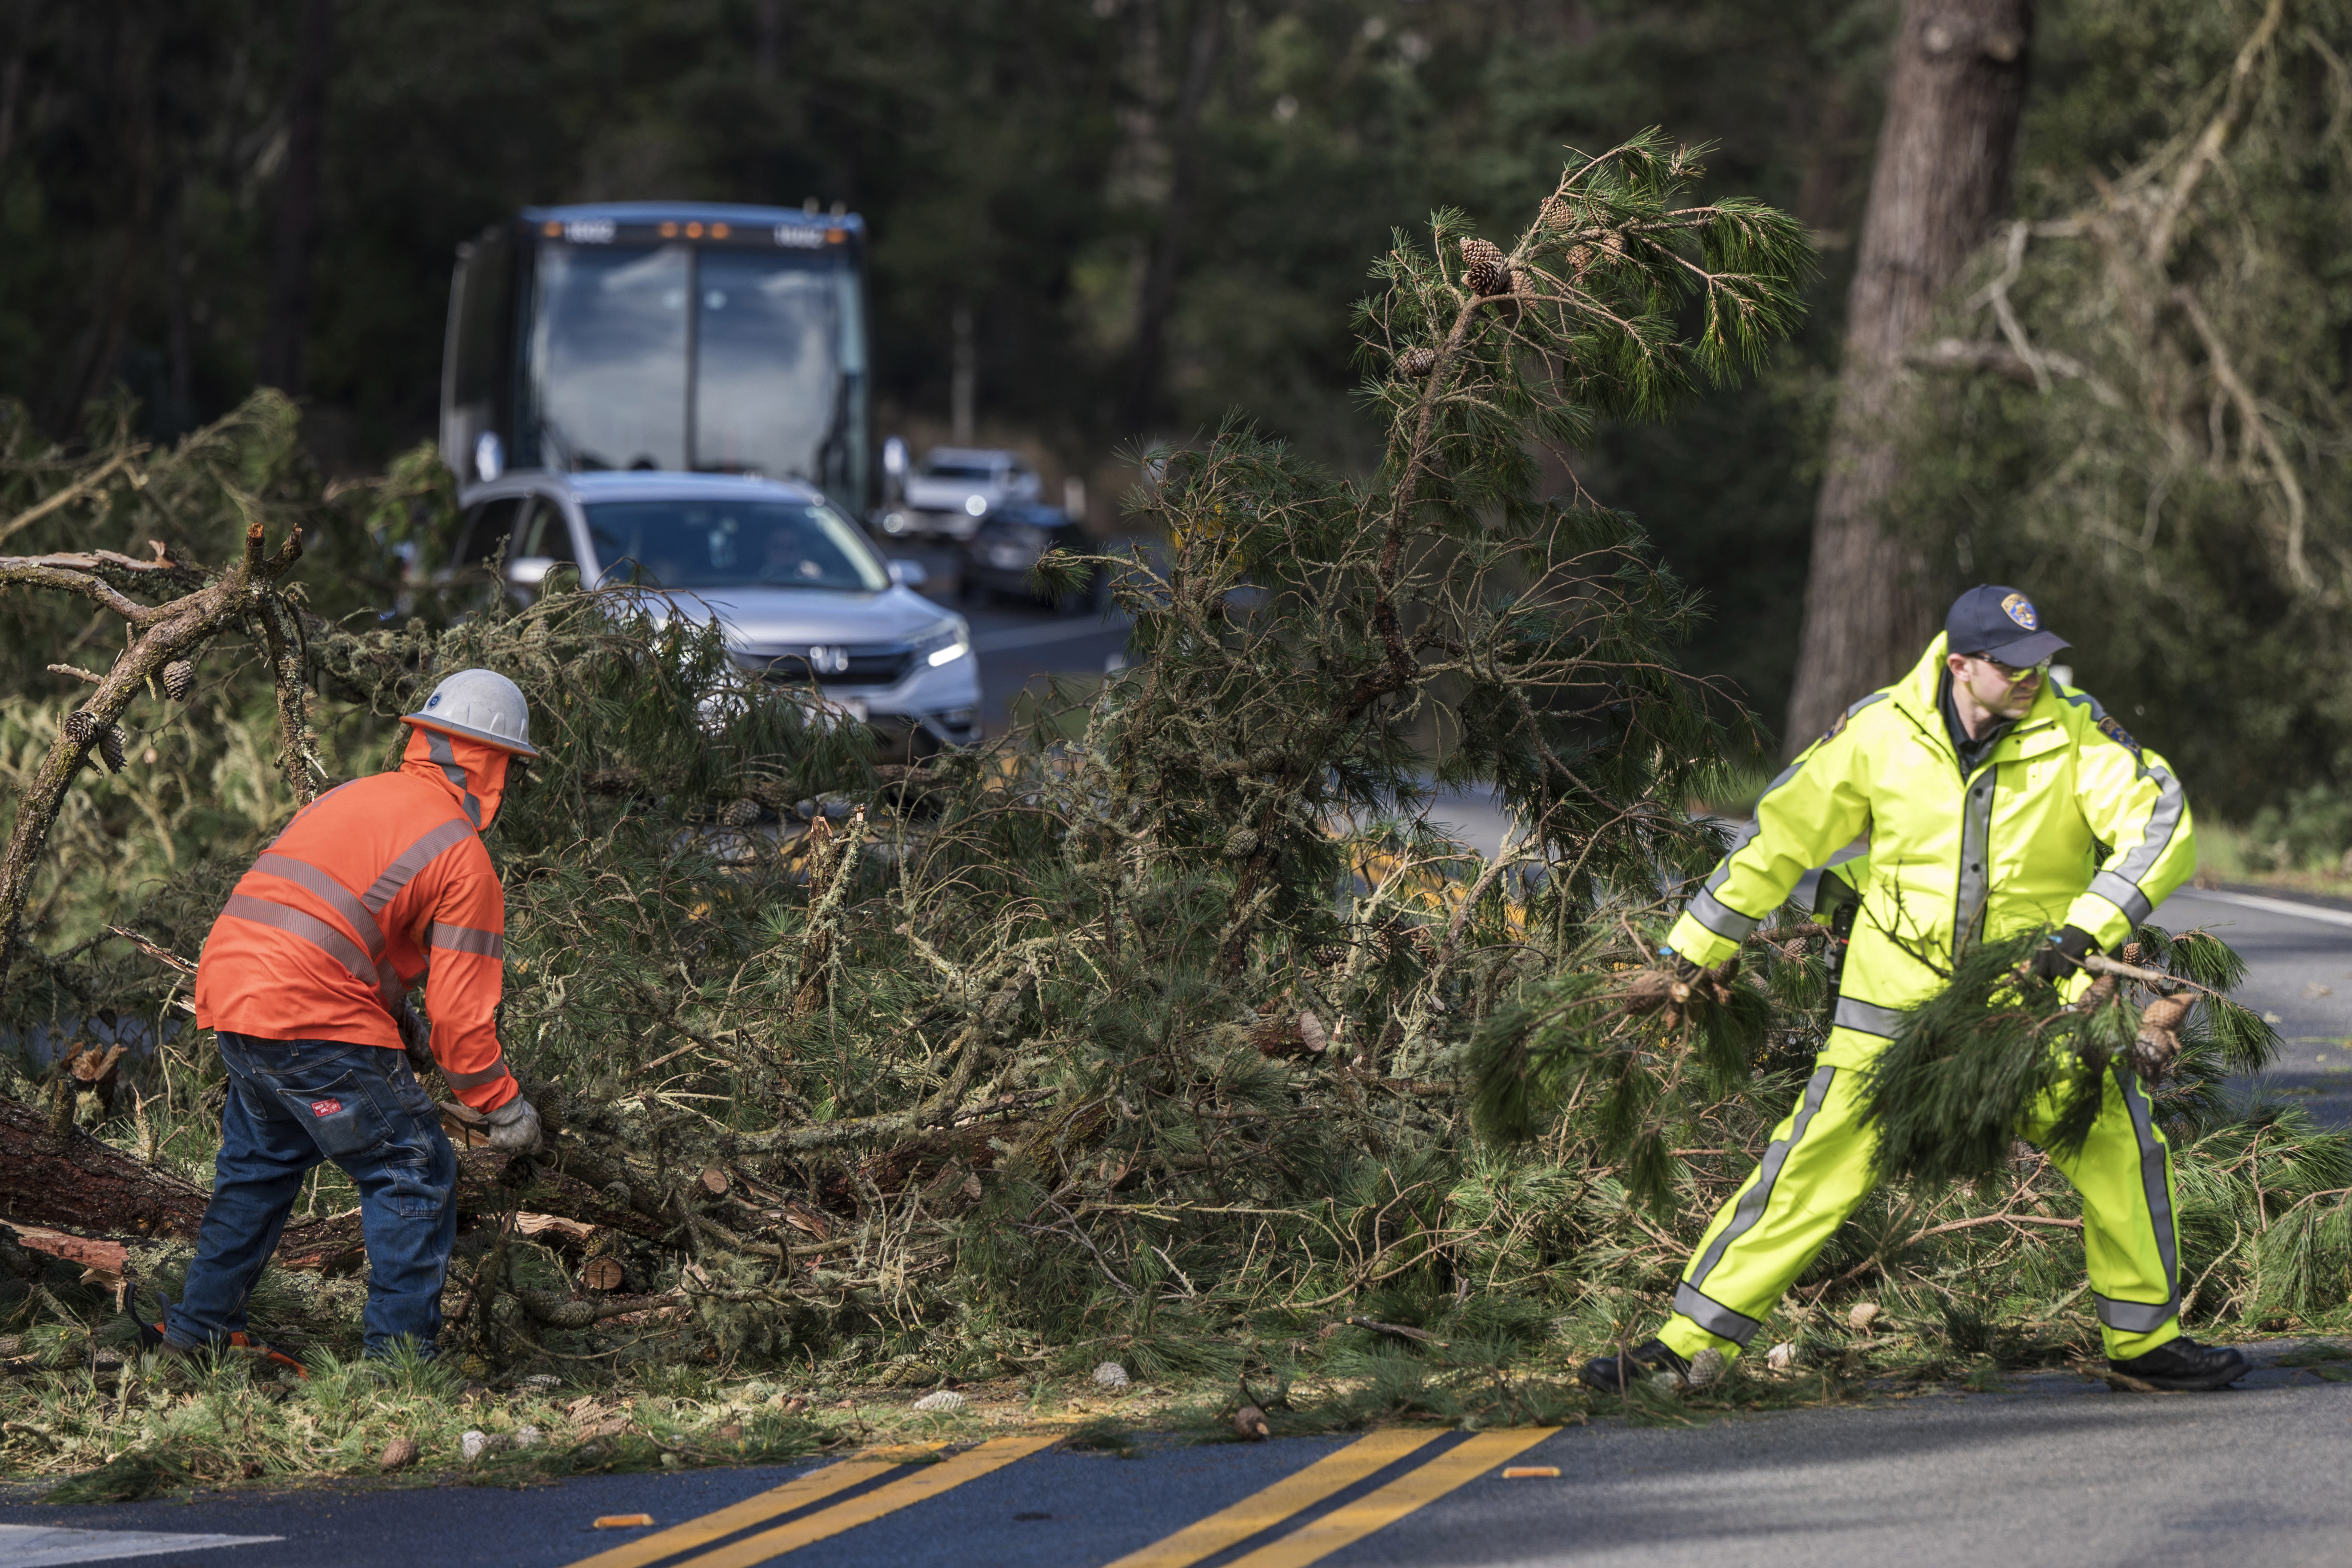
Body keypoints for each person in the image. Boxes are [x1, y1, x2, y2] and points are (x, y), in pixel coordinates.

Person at [1582, 586, 2245, 1393]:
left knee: (2120, 1152)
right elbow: (1779, 839)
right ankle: (1685, 1346)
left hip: (2030, 1009)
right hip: (1890, 1010)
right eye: (2009, 667)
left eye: (2037, 661)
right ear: (1960, 664)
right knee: (1806, 1173)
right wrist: (1691, 949)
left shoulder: (2074, 729)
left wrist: (2084, 930)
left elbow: (2160, 821)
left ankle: (2143, 1347)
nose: (2030, 678)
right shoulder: (1877, 731)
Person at [151, 670, 546, 1367]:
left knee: (258, 1169)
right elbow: (462, 1020)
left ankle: (200, 1329)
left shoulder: (352, 797)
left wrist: (395, 1023)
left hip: (234, 995)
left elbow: (339, 922)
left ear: (423, 741)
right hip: (308, 1011)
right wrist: (502, 1107)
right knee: (410, 1166)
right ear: (495, 768)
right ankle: (399, 1368)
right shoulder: (463, 854)